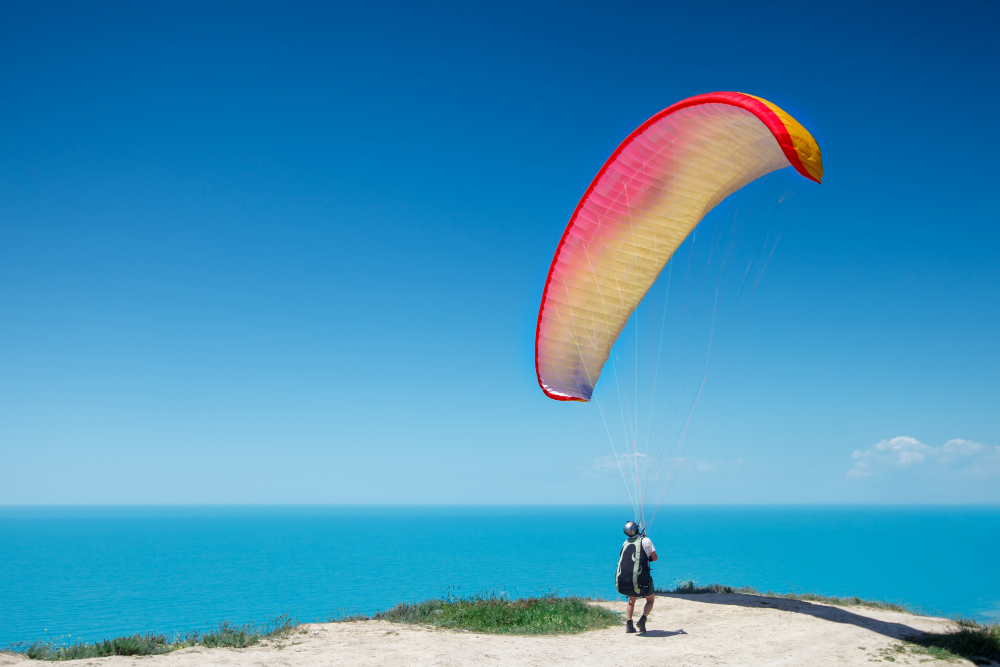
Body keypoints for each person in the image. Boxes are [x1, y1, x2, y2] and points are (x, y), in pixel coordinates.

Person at [615, 520, 657, 633]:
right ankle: (642, 620)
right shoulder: (646, 541)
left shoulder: (626, 542)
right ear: (636, 529)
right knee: (650, 600)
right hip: (643, 578)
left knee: (631, 600)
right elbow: (654, 557)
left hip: (629, 578)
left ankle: (629, 624)